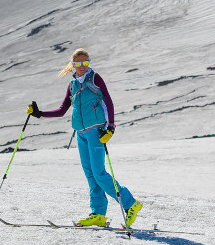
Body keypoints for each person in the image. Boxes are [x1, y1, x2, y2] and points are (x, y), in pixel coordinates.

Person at [28, 48, 143, 227]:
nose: (82, 67)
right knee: (90, 174)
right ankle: (98, 213)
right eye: (78, 63)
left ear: (89, 63)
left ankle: (130, 203)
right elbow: (62, 110)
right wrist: (39, 113)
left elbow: (108, 102)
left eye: (85, 63)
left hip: (96, 132)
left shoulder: (95, 79)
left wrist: (111, 127)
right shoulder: (72, 84)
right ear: (73, 64)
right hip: (80, 134)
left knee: (99, 173)